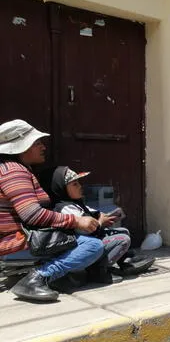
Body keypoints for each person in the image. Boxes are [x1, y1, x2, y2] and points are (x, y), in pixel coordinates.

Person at [0, 119, 103, 302]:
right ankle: (37, 278)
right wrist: (76, 221)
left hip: (22, 237)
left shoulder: (12, 169)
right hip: (14, 242)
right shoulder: (14, 172)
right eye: (37, 143)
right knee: (92, 246)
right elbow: (32, 214)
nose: (43, 147)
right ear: (21, 147)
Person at [38, 166, 155, 282]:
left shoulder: (76, 203)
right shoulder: (65, 208)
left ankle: (123, 260)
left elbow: (92, 213)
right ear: (61, 188)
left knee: (124, 231)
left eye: (78, 183)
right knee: (123, 239)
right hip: (83, 243)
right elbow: (84, 229)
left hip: (93, 237)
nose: (80, 186)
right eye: (74, 184)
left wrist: (104, 217)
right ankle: (98, 270)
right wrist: (100, 223)